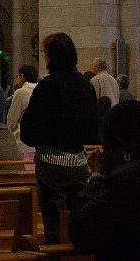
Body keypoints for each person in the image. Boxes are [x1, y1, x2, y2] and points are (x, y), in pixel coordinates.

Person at [68, 102, 140, 260]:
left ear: (125, 147)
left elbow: (80, 231)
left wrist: (97, 176)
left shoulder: (126, 179)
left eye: (109, 150)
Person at [20, 32, 100, 245]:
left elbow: (29, 127)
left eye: (45, 54)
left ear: (52, 57)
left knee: (54, 225)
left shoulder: (48, 85)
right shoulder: (86, 86)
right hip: (80, 163)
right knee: (76, 224)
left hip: (52, 163)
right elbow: (94, 126)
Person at [7, 64, 38, 154]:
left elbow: (12, 119)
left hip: (22, 141)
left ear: (22, 76)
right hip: (39, 142)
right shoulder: (42, 89)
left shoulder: (21, 92)